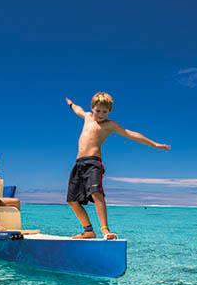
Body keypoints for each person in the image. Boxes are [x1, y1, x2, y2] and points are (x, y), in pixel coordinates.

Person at [64, 92, 170, 239]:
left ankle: (105, 230)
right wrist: (70, 103)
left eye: (105, 112)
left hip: (93, 163)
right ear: (92, 108)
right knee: (72, 200)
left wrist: (154, 144)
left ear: (109, 111)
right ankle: (88, 231)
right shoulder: (87, 117)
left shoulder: (110, 125)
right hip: (78, 164)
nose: (101, 114)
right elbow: (77, 109)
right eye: (98, 110)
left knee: (96, 193)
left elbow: (131, 134)